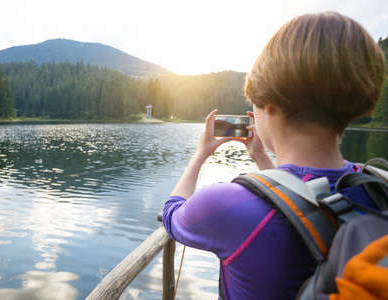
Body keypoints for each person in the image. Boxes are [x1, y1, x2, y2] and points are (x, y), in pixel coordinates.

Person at [163, 11, 386, 300]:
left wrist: (200, 154)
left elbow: (172, 213)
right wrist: (261, 158)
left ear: (269, 105)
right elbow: (301, 194)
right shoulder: (377, 188)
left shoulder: (225, 204)